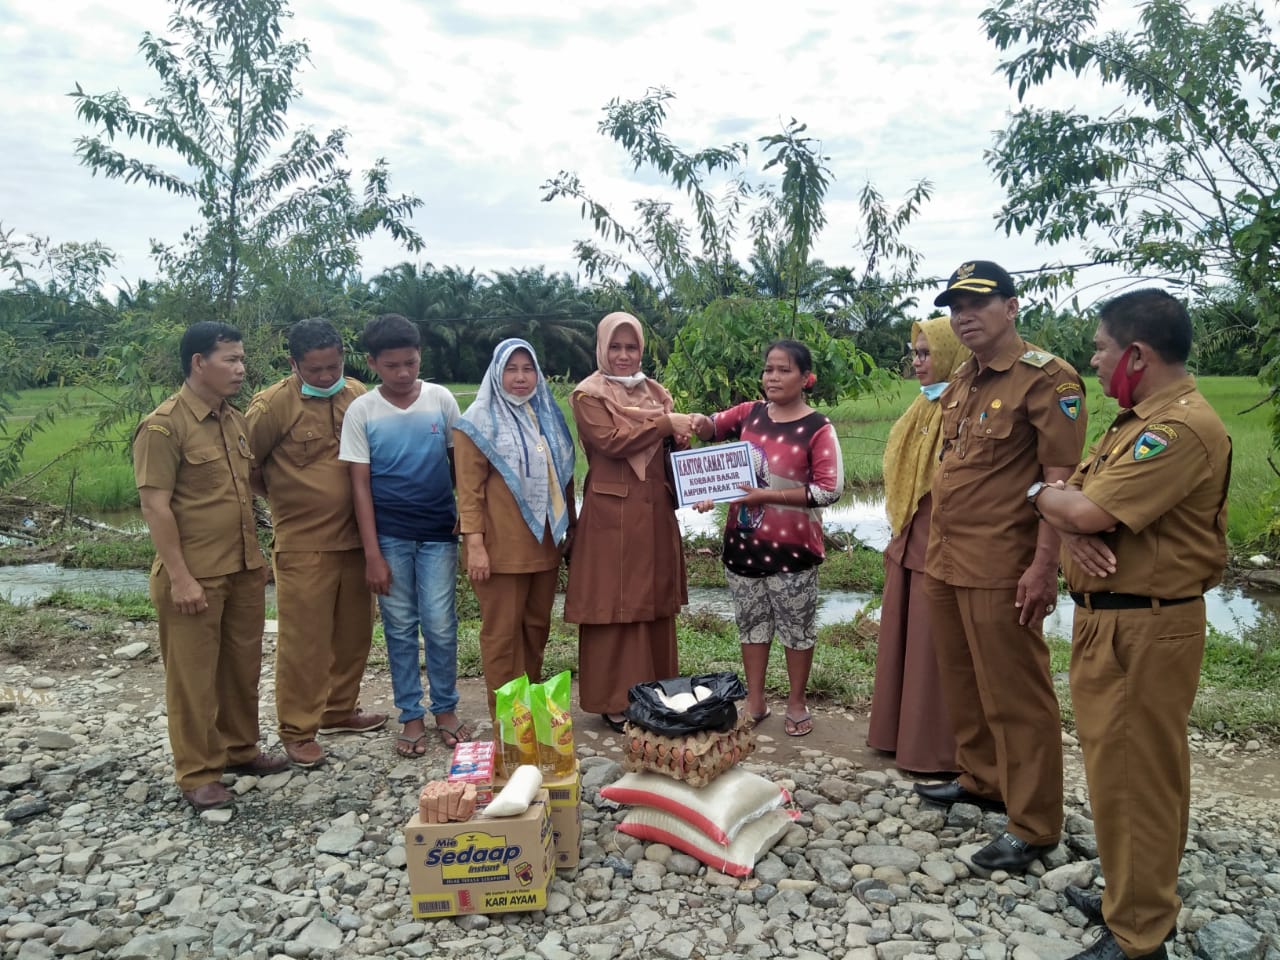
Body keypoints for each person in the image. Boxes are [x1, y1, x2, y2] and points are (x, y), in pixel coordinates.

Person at [1031, 290, 1230, 960]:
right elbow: (1081, 503)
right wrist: (1069, 513)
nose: (1093, 360)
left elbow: (1085, 510)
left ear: (1137, 355)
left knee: (1135, 776)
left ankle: (1139, 932)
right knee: (1122, 769)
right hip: (1116, 621)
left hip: (1142, 626)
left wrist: (1056, 505)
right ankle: (1132, 893)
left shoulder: (1177, 429)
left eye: (1101, 348)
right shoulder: (1132, 420)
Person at [915, 260, 1088, 873]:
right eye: (956, 305)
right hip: (948, 556)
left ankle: (1036, 823)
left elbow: (1059, 481)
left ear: (1012, 306)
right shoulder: (965, 376)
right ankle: (983, 779)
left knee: (1016, 692)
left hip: (1002, 561)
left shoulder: (1048, 380)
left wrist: (1045, 566)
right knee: (963, 679)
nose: (964, 316)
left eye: (979, 303)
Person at [133, 322, 287, 812]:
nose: (241, 369)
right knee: (193, 679)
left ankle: (240, 750)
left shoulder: (233, 420)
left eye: (242, 359)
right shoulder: (163, 427)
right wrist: (179, 576)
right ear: (199, 363)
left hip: (242, 570)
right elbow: (155, 507)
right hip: (193, 576)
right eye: (231, 360)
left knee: (240, 671)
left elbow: (245, 489)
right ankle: (198, 773)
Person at [245, 318, 386, 770]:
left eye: (334, 366)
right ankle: (297, 729)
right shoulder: (271, 407)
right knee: (304, 643)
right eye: (316, 369)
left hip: (356, 539)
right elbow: (247, 468)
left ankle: (339, 710)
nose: (327, 377)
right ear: (294, 364)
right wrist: (292, 497)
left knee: (353, 634)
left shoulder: (357, 395)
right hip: (304, 543)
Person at [689, 339, 844, 737]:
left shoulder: (818, 427)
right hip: (743, 544)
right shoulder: (749, 414)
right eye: (768, 369)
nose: (772, 377)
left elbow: (829, 490)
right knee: (751, 626)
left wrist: (766, 495)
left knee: (798, 629)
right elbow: (711, 428)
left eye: (783, 370)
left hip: (795, 551)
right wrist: (698, 422)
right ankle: (755, 701)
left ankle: (796, 702)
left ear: (806, 378)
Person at [339, 314, 470, 757]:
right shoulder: (362, 411)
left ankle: (446, 708)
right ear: (373, 363)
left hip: (438, 534)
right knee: (398, 629)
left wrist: (466, 516)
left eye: (411, 363)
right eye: (392, 365)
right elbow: (359, 485)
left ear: (420, 357)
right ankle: (411, 714)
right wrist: (372, 554)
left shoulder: (440, 400)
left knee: (440, 624)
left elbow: (461, 465)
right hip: (390, 537)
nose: (403, 373)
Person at [564, 312, 691, 732]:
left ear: (641, 350)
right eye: (615, 347)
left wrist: (692, 473)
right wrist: (663, 426)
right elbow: (611, 443)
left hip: (654, 512)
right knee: (615, 607)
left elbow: (668, 453)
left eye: (631, 347)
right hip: (611, 518)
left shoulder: (657, 393)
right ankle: (615, 700)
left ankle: (654, 694)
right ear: (601, 348)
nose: (623, 355)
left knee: (652, 604)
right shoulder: (589, 395)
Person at [866, 317, 970, 772]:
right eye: (915, 353)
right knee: (904, 637)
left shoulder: (965, 406)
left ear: (951, 354)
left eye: (927, 353)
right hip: (911, 535)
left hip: (942, 539)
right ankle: (896, 735)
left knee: (932, 644)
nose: (918, 362)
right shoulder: (924, 406)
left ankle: (932, 749)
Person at [454, 338, 575, 719]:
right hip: (499, 549)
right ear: (496, 372)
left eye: (528, 369)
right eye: (511, 369)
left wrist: (570, 528)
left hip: (544, 545)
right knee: (502, 634)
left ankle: (529, 709)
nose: (521, 378)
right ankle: (505, 718)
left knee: (536, 627)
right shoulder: (476, 422)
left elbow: (566, 478)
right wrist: (474, 545)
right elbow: (468, 492)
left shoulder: (548, 416)